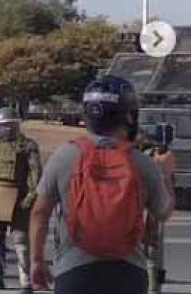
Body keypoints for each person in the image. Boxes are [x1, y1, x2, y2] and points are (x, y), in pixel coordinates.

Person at [30, 76, 174, 294]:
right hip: (129, 273)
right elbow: (163, 212)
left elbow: (39, 213)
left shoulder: (65, 156)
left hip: (75, 270)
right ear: (128, 115)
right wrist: (165, 174)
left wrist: (36, 260)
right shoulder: (141, 162)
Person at [0, 107, 41, 294]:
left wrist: (30, 198)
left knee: (21, 241)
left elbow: (36, 175)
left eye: (11, 126)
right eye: (3, 127)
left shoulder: (27, 146)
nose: (7, 130)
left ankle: (26, 281)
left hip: (20, 198)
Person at [137, 127, 175, 294]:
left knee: (151, 245)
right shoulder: (152, 156)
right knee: (149, 247)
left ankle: (152, 282)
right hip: (147, 204)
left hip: (150, 204)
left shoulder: (163, 157)